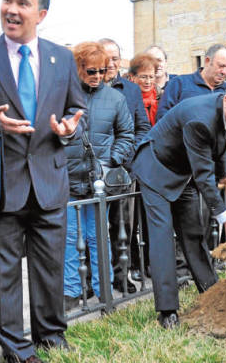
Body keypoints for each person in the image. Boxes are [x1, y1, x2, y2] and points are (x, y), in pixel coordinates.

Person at [0, 0, 84, 363]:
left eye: (23, 3)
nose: (11, 9)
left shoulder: (61, 58)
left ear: (41, 13)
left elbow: (78, 108)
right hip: (2, 184)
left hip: (49, 182)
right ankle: (15, 349)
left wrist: (71, 126)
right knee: (2, 275)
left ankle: (51, 337)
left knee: (49, 269)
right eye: (7, 0)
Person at [132, 77, 226, 329]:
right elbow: (202, 175)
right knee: (162, 236)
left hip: (182, 171)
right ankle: (168, 311)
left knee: (193, 231)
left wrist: (223, 174)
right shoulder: (199, 119)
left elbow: (221, 146)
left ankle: (212, 294)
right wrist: (225, 218)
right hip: (156, 168)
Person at [63, 41, 133, 311]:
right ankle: (71, 291)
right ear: (79, 68)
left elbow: (127, 134)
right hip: (68, 177)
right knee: (69, 237)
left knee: (98, 235)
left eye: (102, 71)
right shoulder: (63, 94)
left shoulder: (115, 98)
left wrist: (111, 160)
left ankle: (104, 287)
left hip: (99, 180)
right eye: (91, 71)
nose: (97, 76)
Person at [100, 37, 150, 294]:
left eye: (115, 58)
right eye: (105, 58)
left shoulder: (130, 90)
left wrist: (126, 154)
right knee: (94, 229)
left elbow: (142, 127)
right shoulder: (87, 86)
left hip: (123, 170)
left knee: (123, 228)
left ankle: (122, 275)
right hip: (94, 172)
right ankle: (96, 280)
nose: (110, 63)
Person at [156, 43, 226, 120]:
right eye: (221, 66)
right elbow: (162, 120)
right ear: (207, 61)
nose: (224, 72)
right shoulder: (179, 84)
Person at [129, 52, 159, 126]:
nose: (148, 82)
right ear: (132, 77)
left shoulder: (162, 97)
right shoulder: (125, 97)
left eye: (151, 77)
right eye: (143, 77)